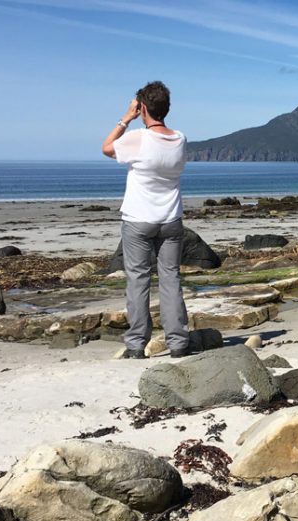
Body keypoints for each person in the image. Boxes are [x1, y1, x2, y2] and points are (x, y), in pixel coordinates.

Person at [102, 81, 190, 359]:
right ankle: (178, 343)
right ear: (167, 108)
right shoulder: (180, 139)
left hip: (138, 220)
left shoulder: (138, 137)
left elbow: (107, 148)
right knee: (170, 280)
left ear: (142, 109)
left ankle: (137, 345)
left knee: (138, 281)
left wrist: (125, 118)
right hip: (171, 220)